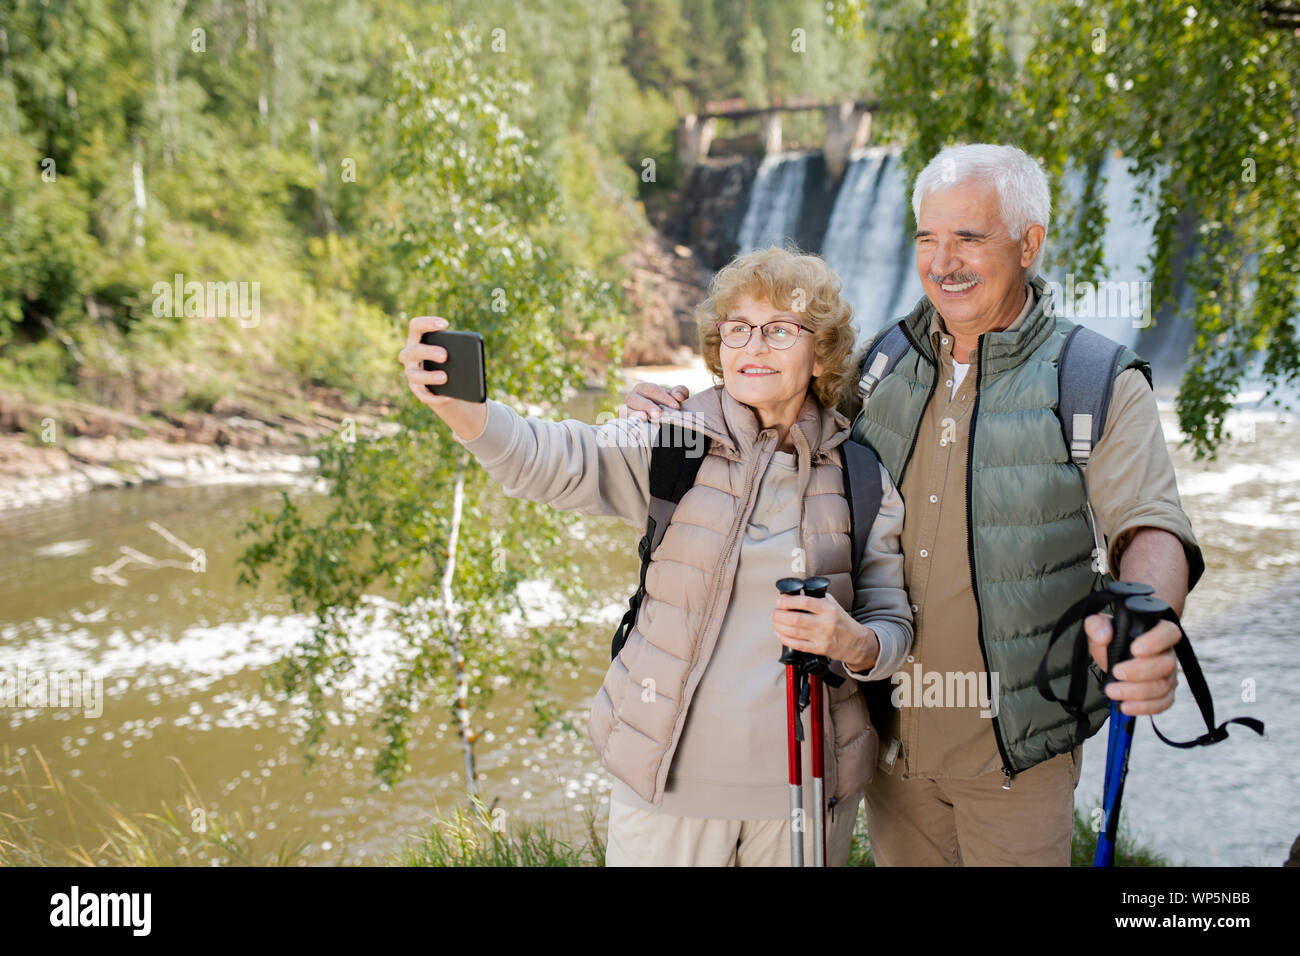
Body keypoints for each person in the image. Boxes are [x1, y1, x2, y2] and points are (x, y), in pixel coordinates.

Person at [625, 144, 1203, 866]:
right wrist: (673, 407)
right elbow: (771, 411)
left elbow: (1150, 524)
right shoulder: (880, 364)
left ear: (1029, 244)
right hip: (892, 756)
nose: (943, 261)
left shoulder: (1095, 380)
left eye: (969, 236)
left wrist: (1144, 615)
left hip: (1015, 761)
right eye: (928, 237)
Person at [399, 247, 914, 866]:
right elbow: (563, 460)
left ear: (820, 351)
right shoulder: (674, 436)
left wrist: (852, 642)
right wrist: (467, 414)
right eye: (738, 328)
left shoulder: (861, 474)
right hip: (666, 787)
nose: (755, 345)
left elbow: (893, 625)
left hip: (806, 793)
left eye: (780, 329)